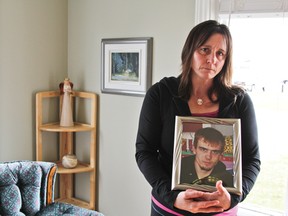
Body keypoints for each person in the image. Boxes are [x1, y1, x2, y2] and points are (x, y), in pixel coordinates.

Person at [135, 20, 260, 215]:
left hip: (221, 211)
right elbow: (144, 152)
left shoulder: (240, 101)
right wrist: (172, 197)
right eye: (205, 49)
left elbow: (252, 159)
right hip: (169, 209)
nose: (212, 59)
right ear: (190, 51)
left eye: (220, 53)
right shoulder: (161, 94)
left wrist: (233, 198)